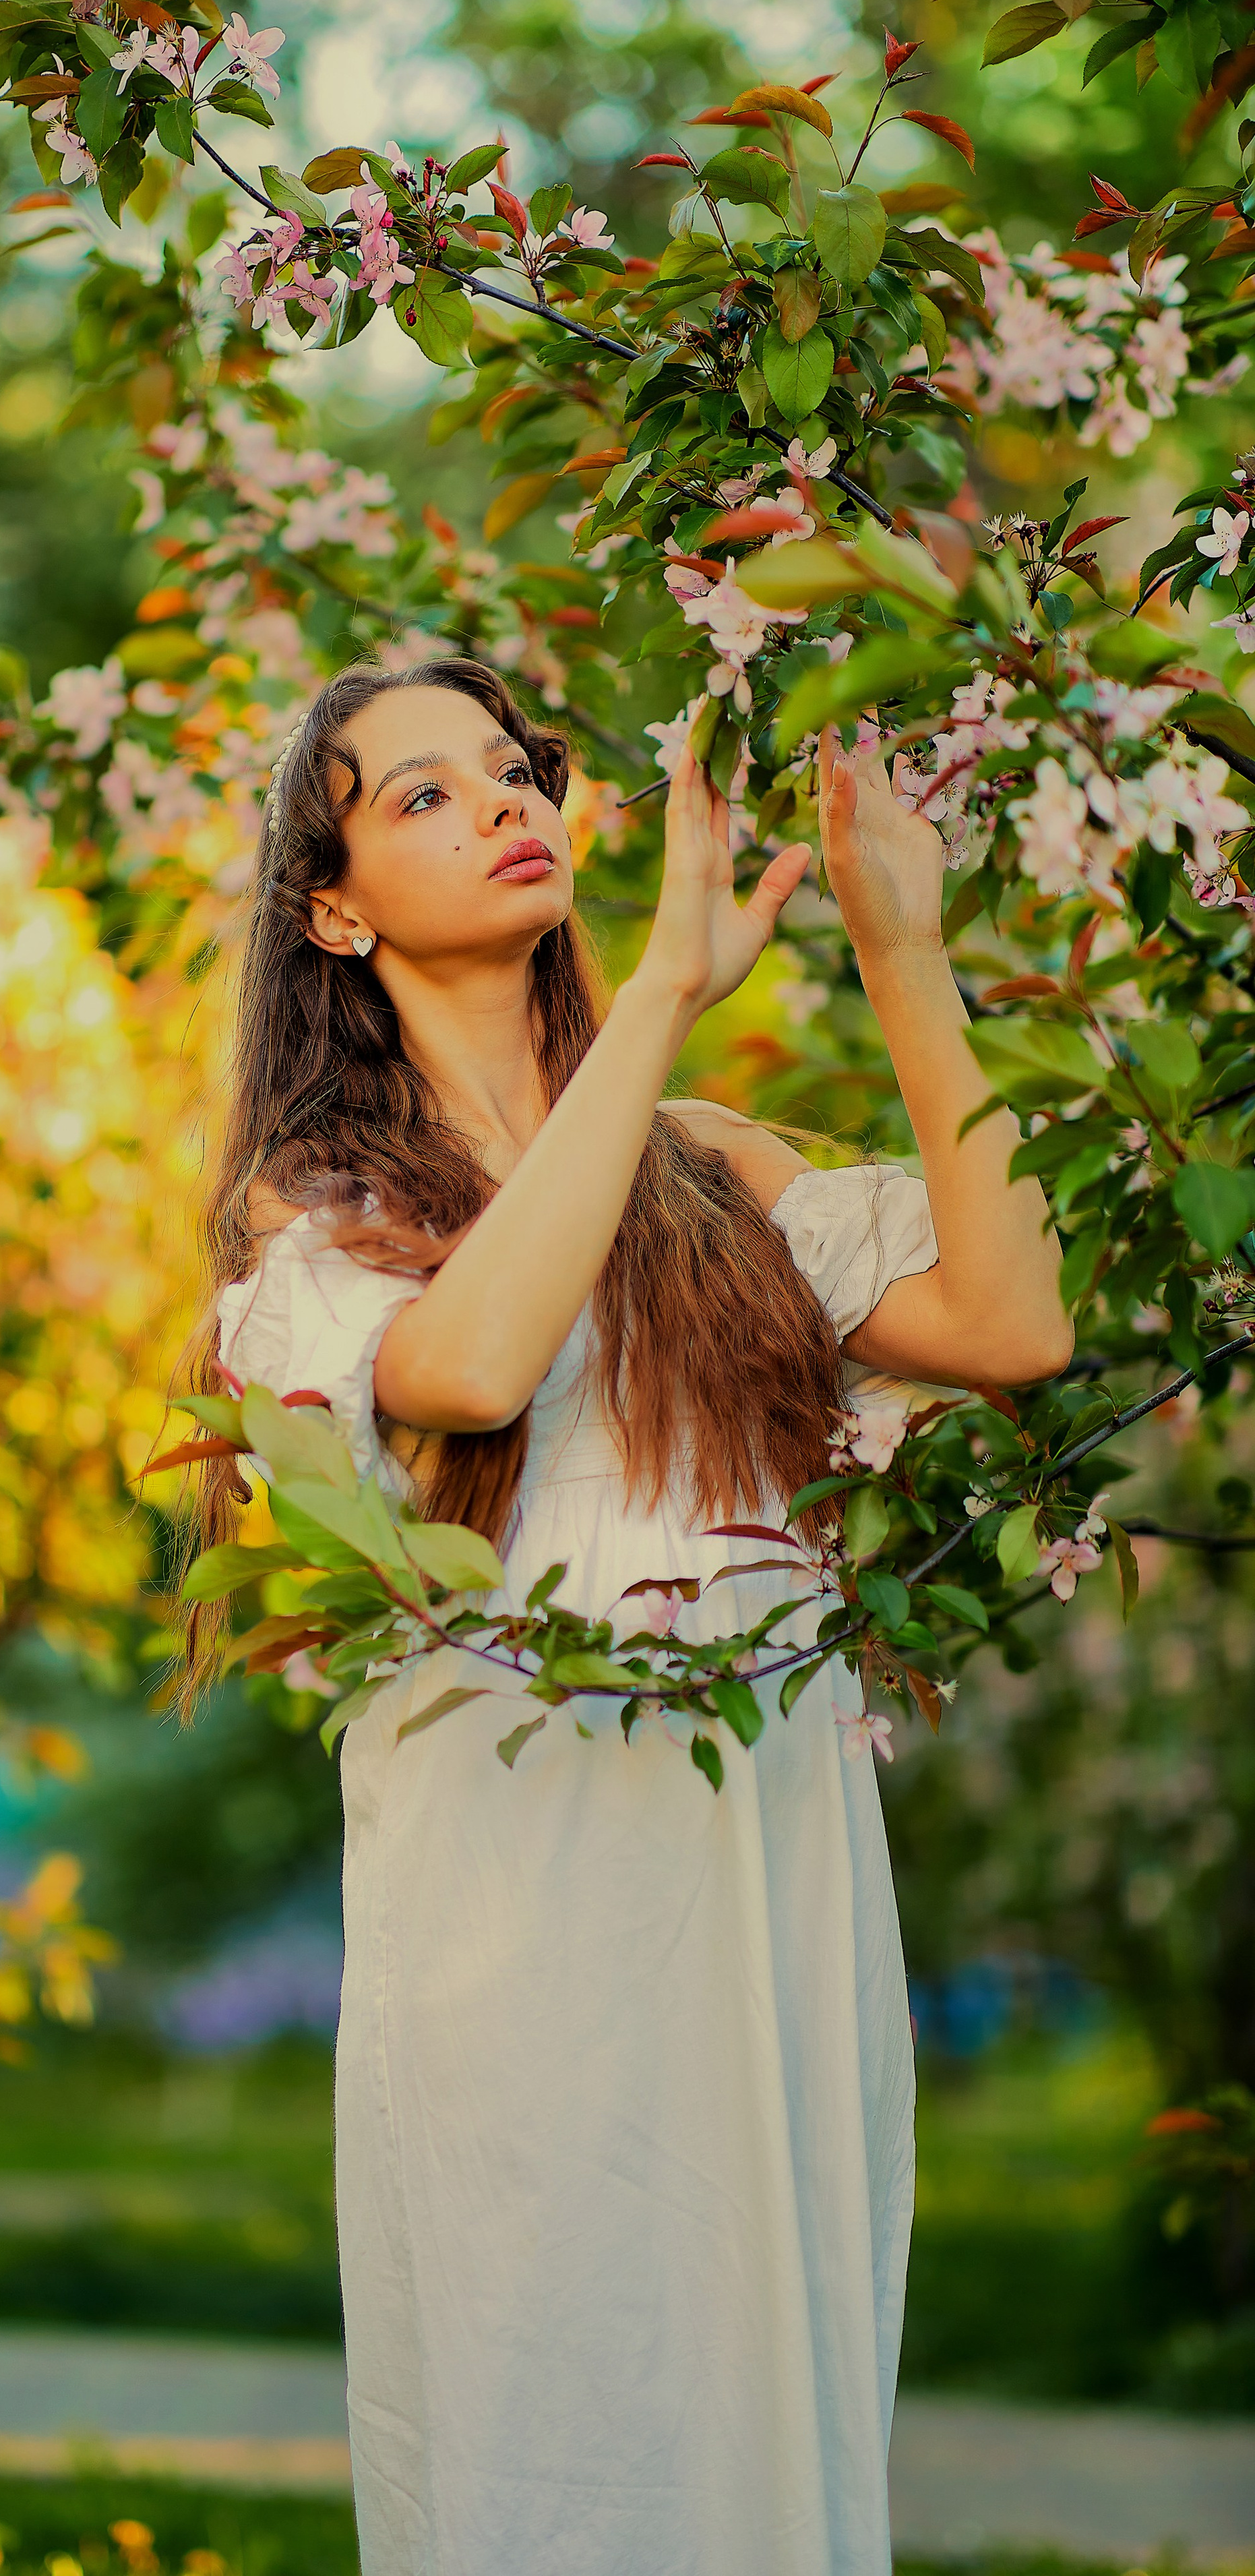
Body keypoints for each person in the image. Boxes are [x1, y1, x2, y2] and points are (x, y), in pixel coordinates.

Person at [189, 657, 1070, 2576]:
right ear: (333, 906)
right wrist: (660, 985)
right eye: (421, 796)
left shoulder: (710, 1165)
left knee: (773, 2407)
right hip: (523, 1912)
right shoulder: (314, 1210)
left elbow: (1016, 1325)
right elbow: (480, 1367)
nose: (502, 802)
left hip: (760, 1880)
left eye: (512, 771)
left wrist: (902, 948)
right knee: (557, 2417)